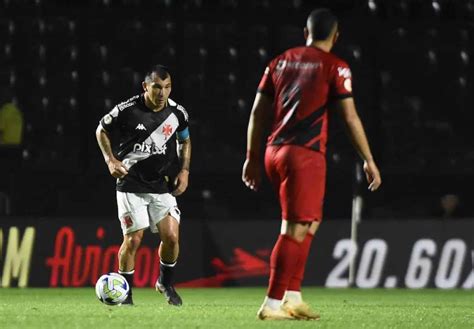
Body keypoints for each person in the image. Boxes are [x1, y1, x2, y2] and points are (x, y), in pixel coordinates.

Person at [242, 8, 382, 320]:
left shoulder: (279, 61)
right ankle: (272, 303)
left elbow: (257, 113)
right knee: (294, 228)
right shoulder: (336, 66)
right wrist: (368, 159)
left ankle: (292, 296)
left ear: (306, 33)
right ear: (336, 35)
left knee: (309, 223)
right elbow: (349, 117)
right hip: (303, 154)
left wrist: (252, 158)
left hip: (273, 151)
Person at [96, 65, 191, 306]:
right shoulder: (128, 109)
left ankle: (165, 283)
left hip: (161, 183)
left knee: (171, 237)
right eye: (157, 87)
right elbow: (101, 130)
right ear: (145, 86)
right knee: (134, 239)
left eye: (167, 87)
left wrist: (185, 170)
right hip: (130, 183)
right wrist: (110, 160)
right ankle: (126, 295)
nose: (163, 93)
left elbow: (185, 140)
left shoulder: (177, 113)